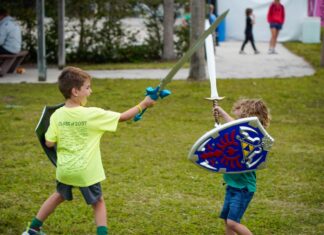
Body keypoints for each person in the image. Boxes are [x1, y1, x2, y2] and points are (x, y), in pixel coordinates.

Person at [22, 67, 156, 235]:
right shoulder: (91, 114)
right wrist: (144, 104)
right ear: (75, 91)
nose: (90, 91)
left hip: (65, 170)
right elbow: (123, 117)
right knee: (98, 202)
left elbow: (49, 143)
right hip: (86, 172)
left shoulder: (56, 115)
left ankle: (33, 229)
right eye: (87, 87)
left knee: (58, 195)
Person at [214, 98, 271, 235]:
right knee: (227, 220)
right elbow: (234, 126)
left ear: (249, 112)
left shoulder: (255, 136)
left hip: (243, 188)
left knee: (233, 222)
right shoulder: (241, 133)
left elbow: (236, 126)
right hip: (232, 184)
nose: (236, 109)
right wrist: (220, 114)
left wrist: (222, 113)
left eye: (240, 108)